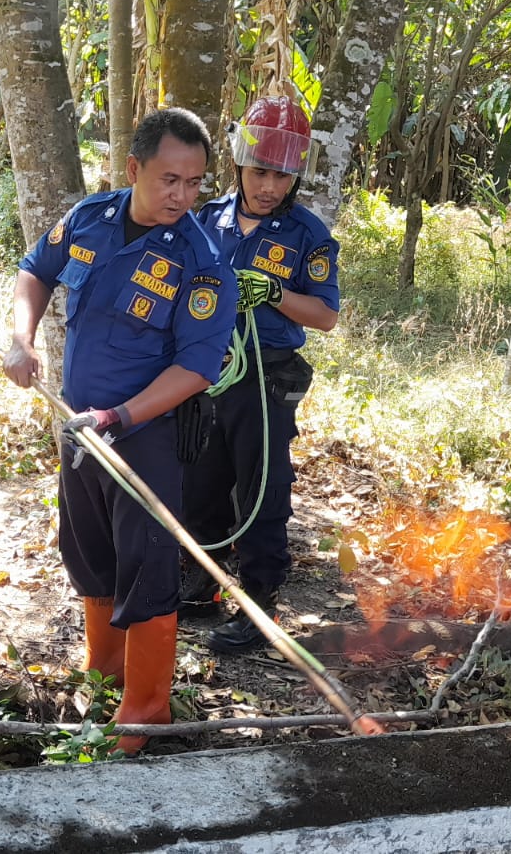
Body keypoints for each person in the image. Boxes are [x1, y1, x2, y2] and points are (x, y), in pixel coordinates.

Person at [2, 108, 236, 753]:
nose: (182, 197)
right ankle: (103, 679)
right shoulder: (88, 220)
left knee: (146, 565)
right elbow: (35, 271)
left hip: (146, 434)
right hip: (79, 427)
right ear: (133, 169)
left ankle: (143, 712)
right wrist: (21, 341)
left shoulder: (203, 259)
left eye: (194, 184)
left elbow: (197, 365)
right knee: (89, 553)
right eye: (169, 179)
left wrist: (121, 418)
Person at [181, 95, 341, 653]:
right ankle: (201, 582)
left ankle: (260, 602)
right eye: (259, 172)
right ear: (239, 167)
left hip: (267, 377)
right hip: (205, 373)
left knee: (260, 488)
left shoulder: (306, 236)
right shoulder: (205, 221)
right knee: (200, 481)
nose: (269, 185)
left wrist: (275, 293)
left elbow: (326, 316)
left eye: (280, 175)